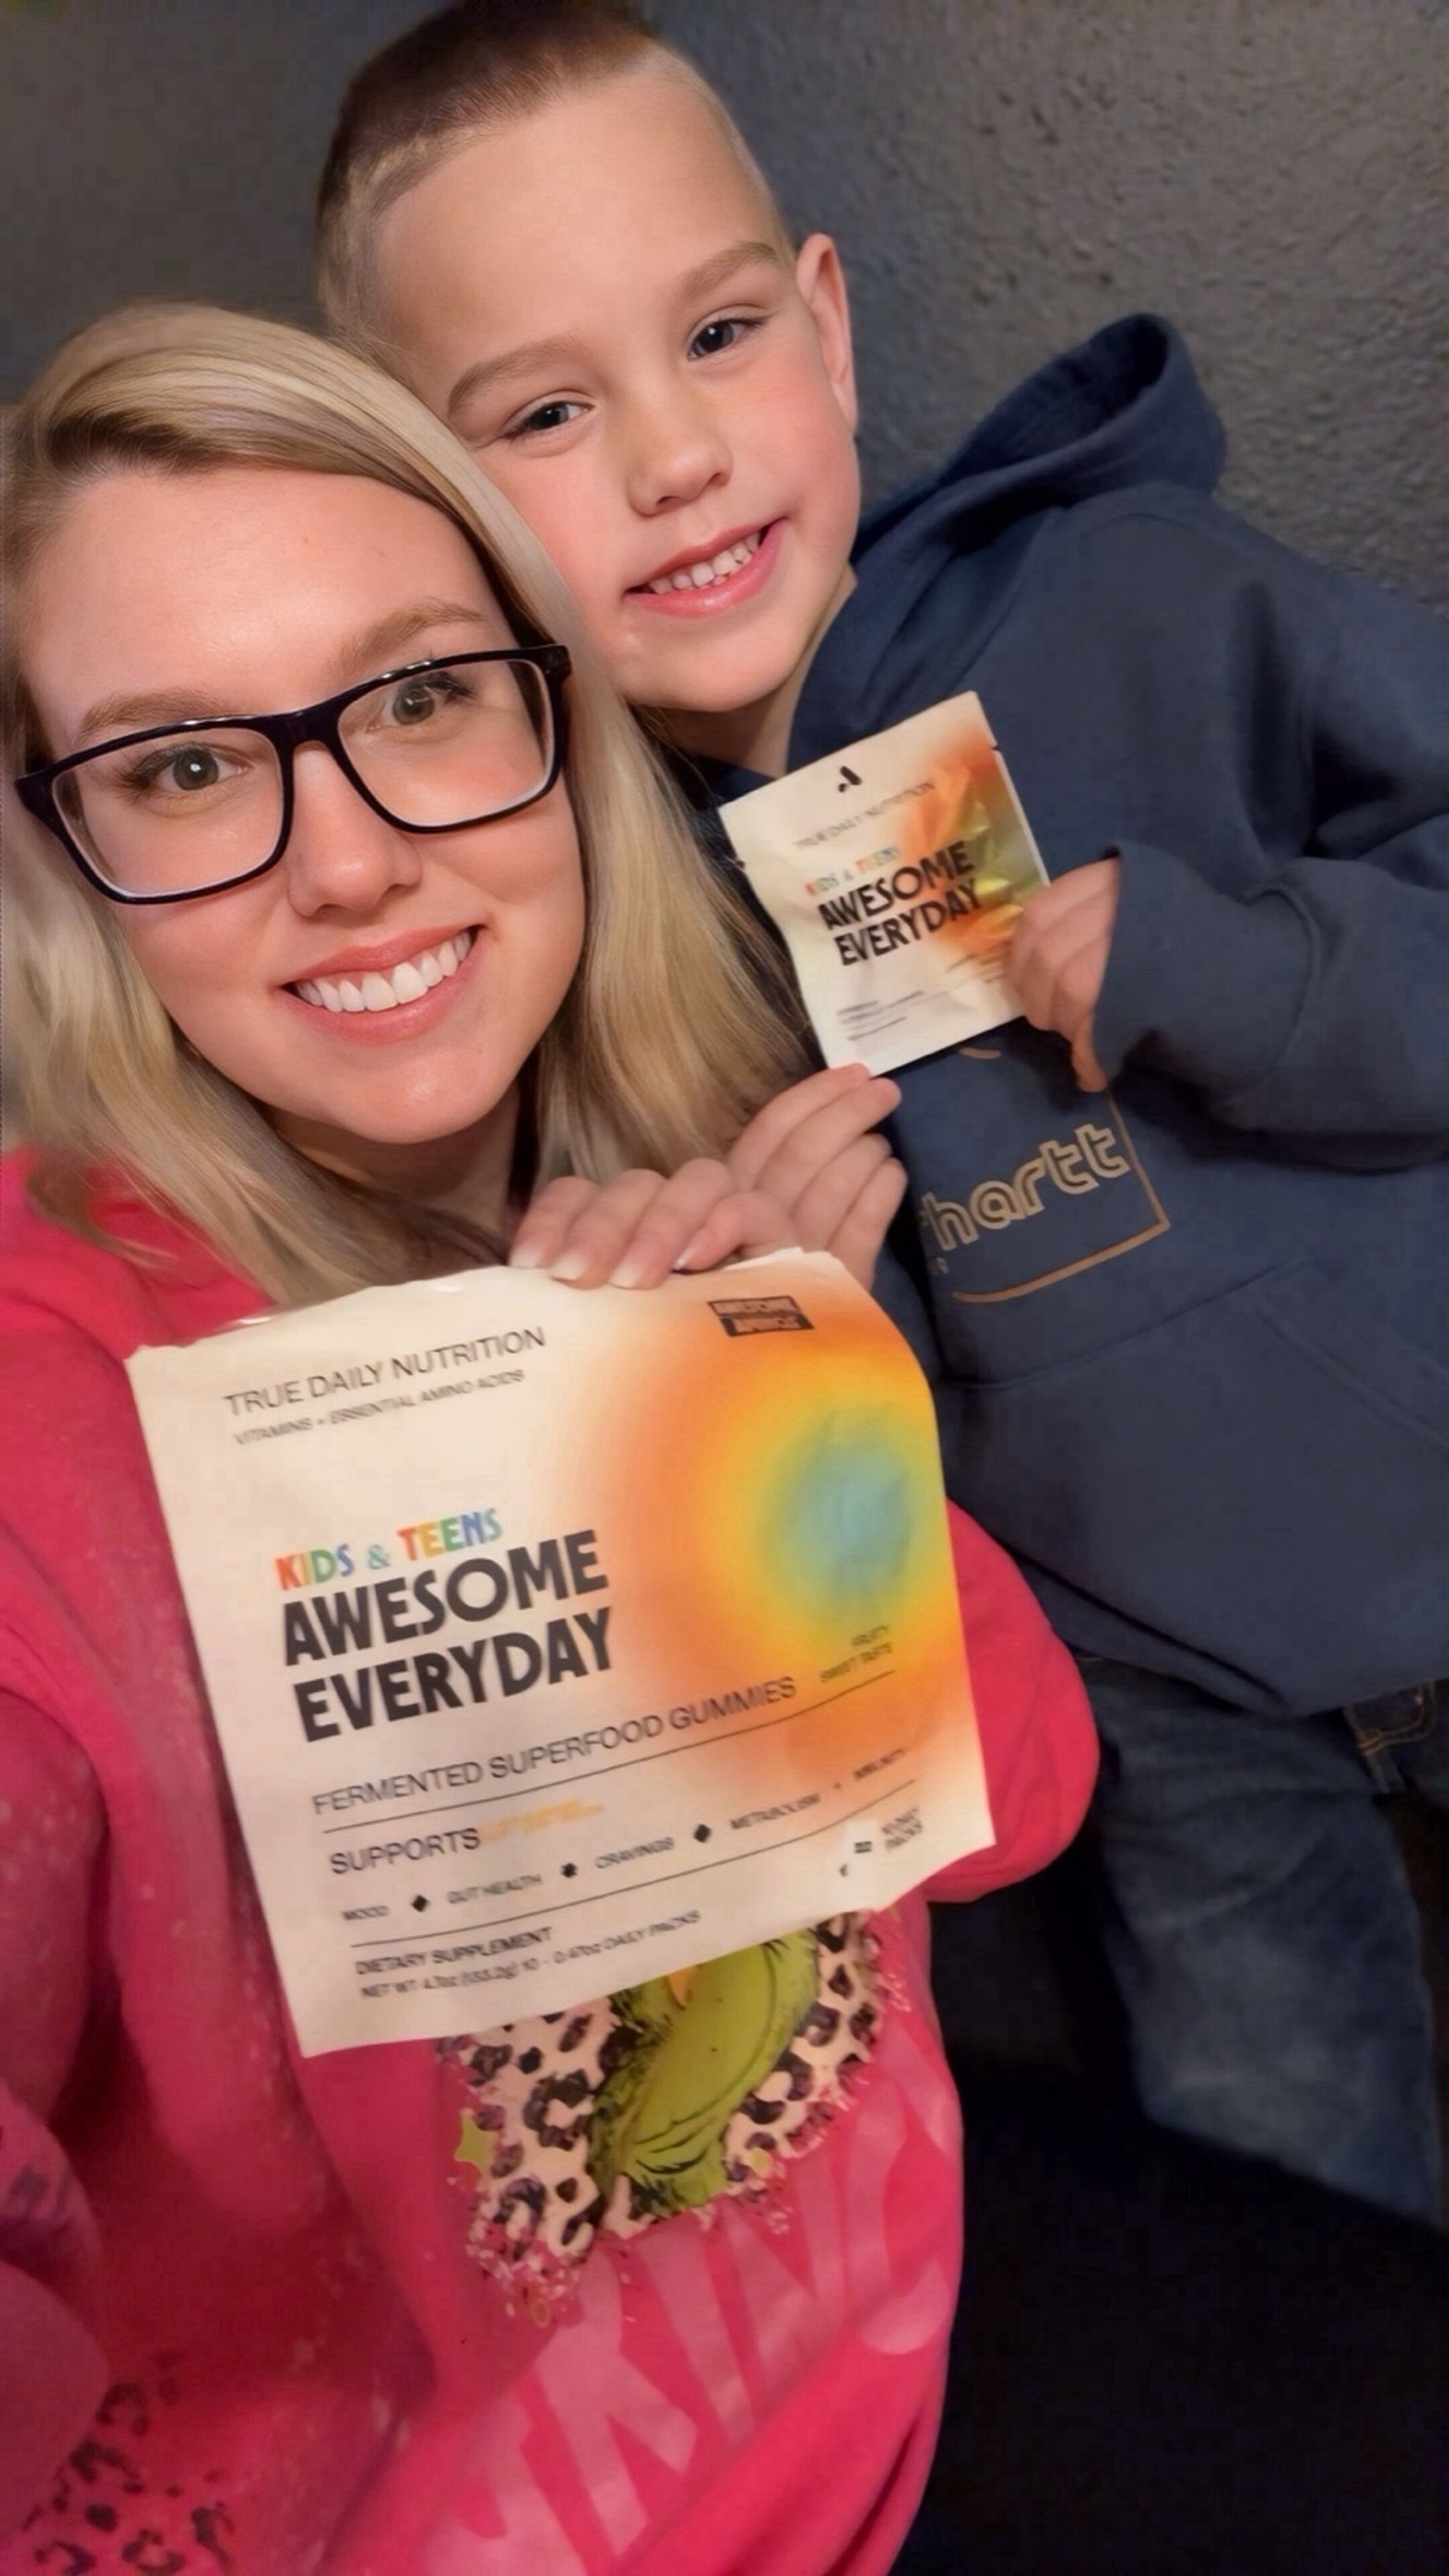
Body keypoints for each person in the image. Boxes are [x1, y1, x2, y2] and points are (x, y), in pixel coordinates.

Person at [314, 0, 1449, 2222]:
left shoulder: (1139, 593)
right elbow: (807, 1595)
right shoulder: (562, 929)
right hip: (1163, 1704)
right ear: (425, 501)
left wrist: (1228, 964)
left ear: (827, 331)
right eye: (547, 410)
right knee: (1291, 2236)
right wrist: (763, 1343)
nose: (673, 456)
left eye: (718, 334)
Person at [0, 302, 1095, 2574]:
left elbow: (1010, 1799)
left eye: (417, 699)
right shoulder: (52, 1390)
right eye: (181, 768)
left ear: (552, 715)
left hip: (889, 2431)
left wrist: (777, 1418)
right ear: (64, 850)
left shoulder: (666, 1176)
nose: (347, 864)